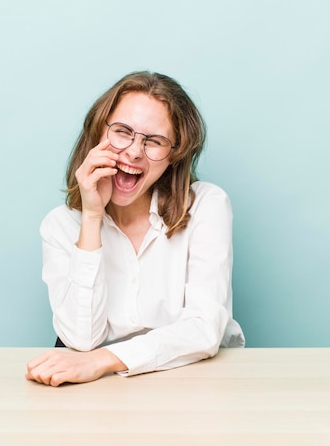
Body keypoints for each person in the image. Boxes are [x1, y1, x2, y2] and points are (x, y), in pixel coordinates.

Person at [26, 71, 244, 387]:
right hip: (101, 392)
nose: (133, 152)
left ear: (174, 155)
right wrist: (91, 217)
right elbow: (80, 340)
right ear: (99, 134)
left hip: (192, 382)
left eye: (154, 141)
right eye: (122, 131)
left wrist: (101, 361)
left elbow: (203, 328)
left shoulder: (206, 206)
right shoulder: (60, 225)